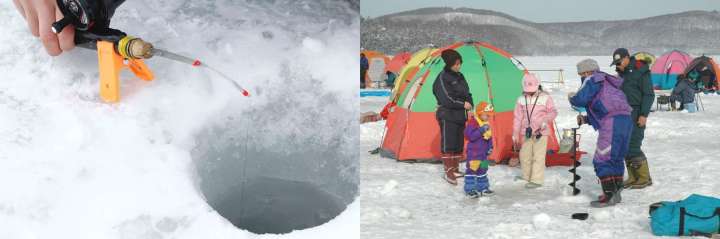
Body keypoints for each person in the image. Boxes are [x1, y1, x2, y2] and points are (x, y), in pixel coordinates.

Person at [569, 59, 633, 207]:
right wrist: (586, 119)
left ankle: (609, 195)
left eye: (581, 74)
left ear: (586, 71)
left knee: (602, 159)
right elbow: (605, 108)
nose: (581, 78)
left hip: (612, 123)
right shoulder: (607, 83)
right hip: (625, 120)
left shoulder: (593, 79)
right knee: (615, 158)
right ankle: (615, 194)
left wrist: (571, 97)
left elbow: (580, 99)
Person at [611, 48, 654, 189]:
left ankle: (644, 178)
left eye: (619, 62)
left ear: (627, 58)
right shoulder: (622, 74)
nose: (618, 65)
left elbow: (649, 95)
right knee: (625, 145)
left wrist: (643, 115)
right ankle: (633, 177)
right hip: (623, 113)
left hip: (636, 112)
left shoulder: (641, 71)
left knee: (634, 144)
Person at [432, 49, 473, 185]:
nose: (458, 66)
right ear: (449, 64)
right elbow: (446, 98)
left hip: (460, 115)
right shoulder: (442, 77)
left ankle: (455, 168)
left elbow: (467, 93)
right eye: (455, 64)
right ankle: (448, 170)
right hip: (447, 114)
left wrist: (470, 105)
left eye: (459, 63)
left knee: (458, 142)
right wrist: (463, 104)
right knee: (448, 142)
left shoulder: (460, 76)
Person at [512, 73, 557, 189]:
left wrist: (545, 120)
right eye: (527, 90)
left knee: (538, 156)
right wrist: (515, 133)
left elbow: (553, 112)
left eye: (532, 90)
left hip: (541, 132)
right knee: (524, 155)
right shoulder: (521, 99)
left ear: (538, 86)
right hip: (525, 132)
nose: (529, 92)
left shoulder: (546, 97)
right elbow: (518, 117)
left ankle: (536, 179)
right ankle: (526, 176)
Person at [463, 102, 494, 198]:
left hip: (483, 154)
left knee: (483, 170)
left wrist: (490, 147)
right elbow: (470, 136)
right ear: (480, 113)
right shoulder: (473, 122)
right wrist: (481, 130)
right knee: (472, 171)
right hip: (474, 153)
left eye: (489, 115)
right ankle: (470, 189)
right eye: (487, 115)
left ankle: (483, 188)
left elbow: (489, 137)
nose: (488, 117)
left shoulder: (486, 123)